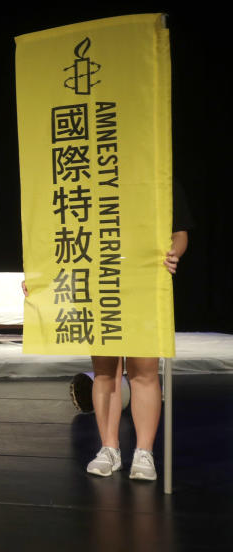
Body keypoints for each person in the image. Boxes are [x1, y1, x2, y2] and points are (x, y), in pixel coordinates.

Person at [86, 182, 192, 481]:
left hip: (145, 279)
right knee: (106, 370)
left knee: (143, 369)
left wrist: (174, 253)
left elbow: (180, 232)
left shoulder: (157, 173)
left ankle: (144, 452)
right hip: (101, 280)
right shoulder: (94, 176)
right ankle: (109, 448)